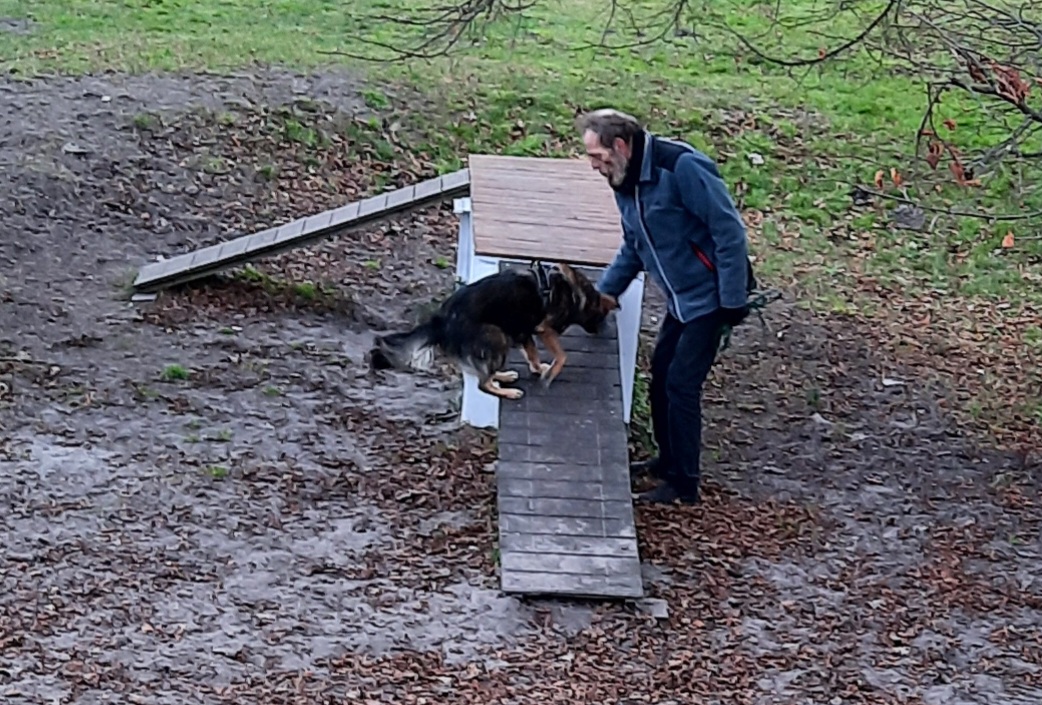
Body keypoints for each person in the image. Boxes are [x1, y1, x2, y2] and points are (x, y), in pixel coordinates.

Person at [576, 108, 756, 505]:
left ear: (620, 145)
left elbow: (728, 231)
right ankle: (666, 460)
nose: (594, 166)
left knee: (681, 384)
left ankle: (684, 483)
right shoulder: (623, 179)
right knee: (660, 376)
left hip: (712, 296)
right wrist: (604, 295)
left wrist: (732, 300)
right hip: (681, 299)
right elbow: (634, 245)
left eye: (597, 156)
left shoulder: (681, 167)